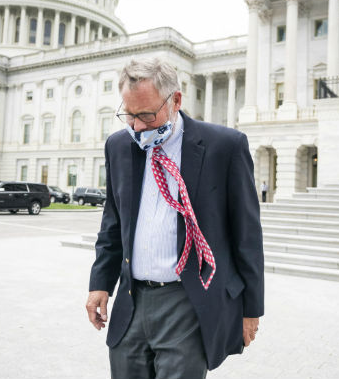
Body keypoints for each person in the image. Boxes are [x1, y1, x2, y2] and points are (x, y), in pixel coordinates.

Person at [86, 58, 264, 379]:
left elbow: (247, 236)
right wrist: (100, 282)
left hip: (188, 302)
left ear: (176, 100)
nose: (137, 126)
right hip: (131, 300)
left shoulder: (225, 146)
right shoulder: (118, 146)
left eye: (146, 115)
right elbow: (113, 222)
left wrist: (251, 311)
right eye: (129, 114)